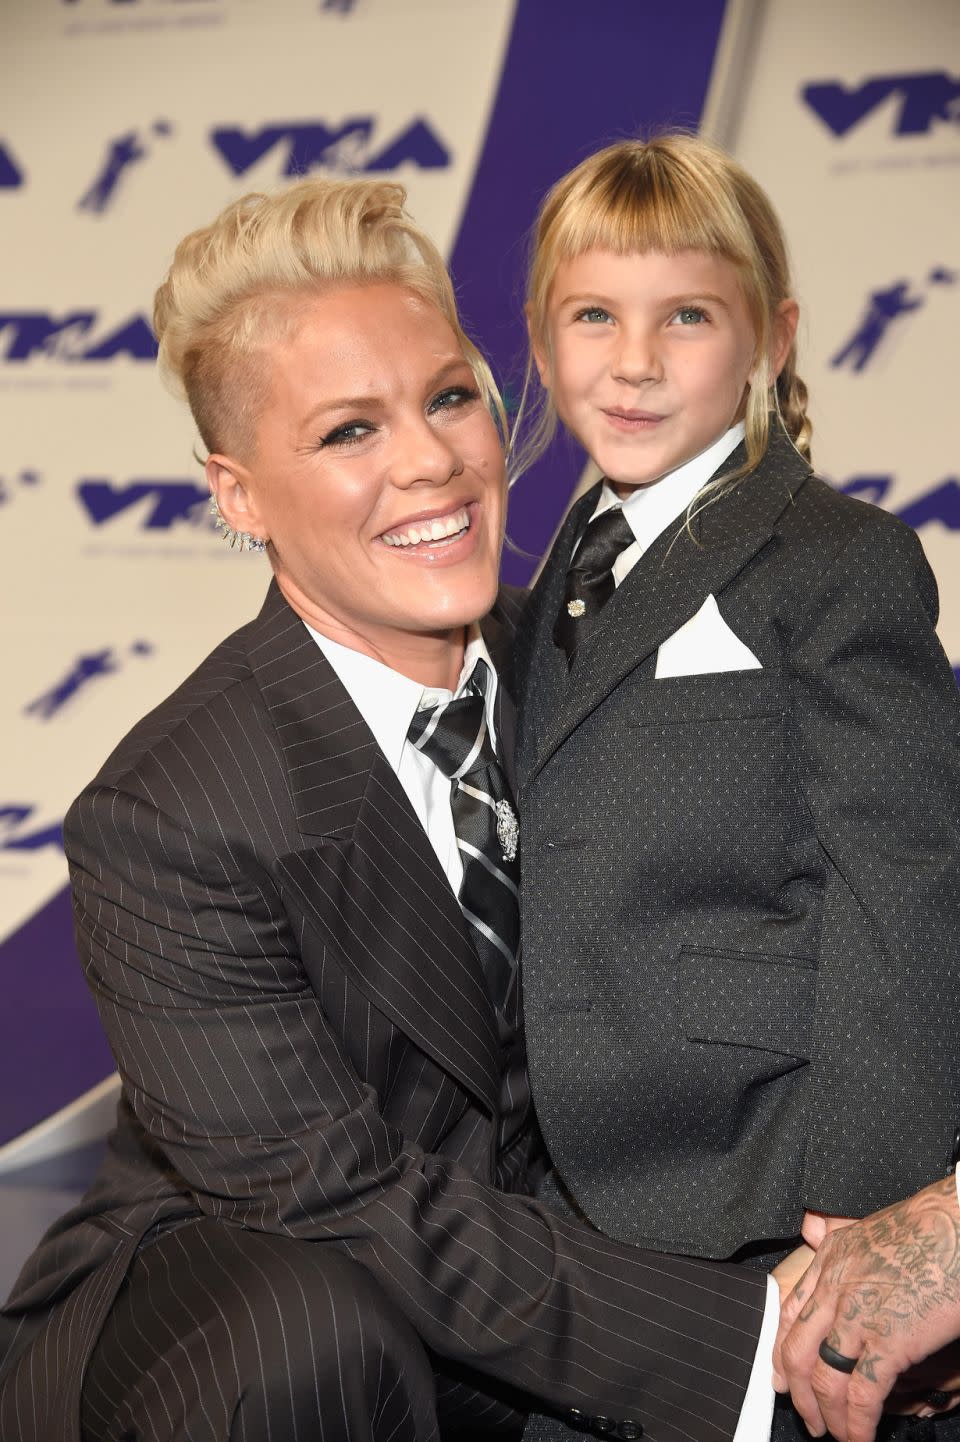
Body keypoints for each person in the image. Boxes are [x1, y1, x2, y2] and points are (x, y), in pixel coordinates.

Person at [0, 175, 792, 1442]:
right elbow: (337, 1197)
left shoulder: (609, 675)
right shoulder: (170, 814)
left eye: (447, 397)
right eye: (346, 432)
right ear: (238, 494)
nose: (432, 460)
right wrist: (756, 1346)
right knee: (317, 1329)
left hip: (544, 1283)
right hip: (246, 1314)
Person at [510, 133, 960, 1439]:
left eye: (687, 315)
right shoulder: (543, 590)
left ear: (772, 337)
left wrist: (866, 1224)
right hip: (571, 1203)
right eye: (594, 315)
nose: (634, 360)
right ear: (541, 342)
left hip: (761, 1187)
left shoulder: (838, 559)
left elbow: (905, 894)